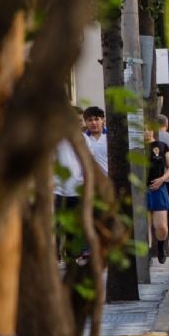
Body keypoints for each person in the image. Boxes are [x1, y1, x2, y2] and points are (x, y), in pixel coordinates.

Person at [54, 107, 87, 265]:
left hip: (76, 187)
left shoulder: (83, 138)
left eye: (79, 120)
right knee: (56, 223)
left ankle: (72, 256)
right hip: (57, 188)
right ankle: (55, 255)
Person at [144, 127, 169, 264]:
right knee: (145, 225)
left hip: (158, 188)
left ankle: (161, 246)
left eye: (147, 128)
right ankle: (148, 254)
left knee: (161, 226)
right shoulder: (133, 147)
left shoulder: (162, 146)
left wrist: (163, 179)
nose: (145, 131)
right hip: (140, 189)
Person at [83, 106, 108, 175]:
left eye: (96, 119)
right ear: (85, 122)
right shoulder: (83, 139)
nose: (93, 123)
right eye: (90, 120)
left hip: (110, 180)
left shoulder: (111, 137)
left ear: (102, 120)